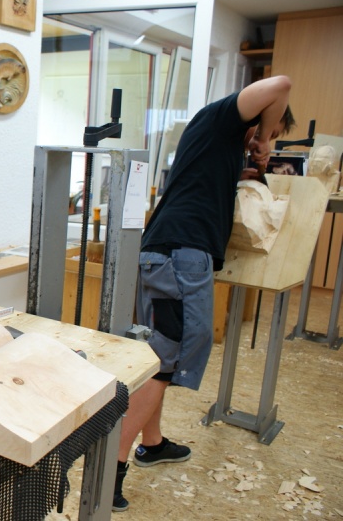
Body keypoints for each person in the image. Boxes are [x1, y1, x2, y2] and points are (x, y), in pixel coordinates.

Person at [114, 75, 294, 511]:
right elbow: (281, 84)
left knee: (159, 355)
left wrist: (241, 171)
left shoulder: (218, 142)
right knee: (167, 360)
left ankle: (152, 443)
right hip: (181, 254)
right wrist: (264, 141)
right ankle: (111, 471)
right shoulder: (223, 118)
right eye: (269, 130)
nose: (263, 143)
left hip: (167, 252)